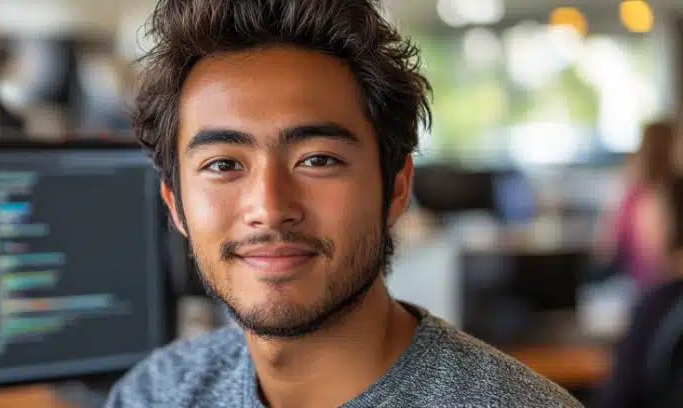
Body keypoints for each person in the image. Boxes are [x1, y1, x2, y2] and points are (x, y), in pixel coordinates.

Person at [105, 0, 582, 407]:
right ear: (176, 205)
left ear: (396, 188)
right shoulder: (154, 393)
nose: (269, 209)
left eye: (317, 159)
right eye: (223, 165)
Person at [593, 121, 676, 290]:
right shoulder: (655, 195)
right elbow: (658, 262)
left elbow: (605, 247)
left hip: (635, 283)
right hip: (650, 290)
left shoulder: (631, 190)